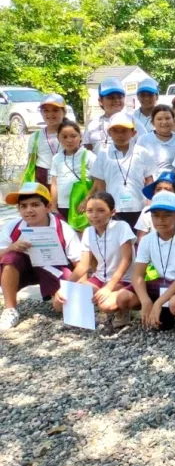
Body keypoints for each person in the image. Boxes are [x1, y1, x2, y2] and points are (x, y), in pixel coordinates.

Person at [116, 191, 175, 335]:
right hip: (162, 282)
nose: (160, 220)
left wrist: (157, 303)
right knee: (122, 298)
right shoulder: (147, 239)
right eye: (155, 215)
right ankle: (163, 312)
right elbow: (137, 275)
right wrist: (145, 301)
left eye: (167, 215)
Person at [0, 183, 82, 330]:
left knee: (64, 307)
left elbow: (80, 264)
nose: (29, 210)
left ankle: (55, 295)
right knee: (10, 258)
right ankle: (10, 309)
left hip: (53, 268)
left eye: (35, 204)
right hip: (23, 269)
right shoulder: (12, 227)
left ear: (48, 206)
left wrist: (74, 290)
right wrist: (11, 247)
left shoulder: (63, 229)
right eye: (23, 206)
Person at [67, 192, 136, 335]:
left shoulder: (121, 227)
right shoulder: (88, 232)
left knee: (105, 305)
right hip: (100, 277)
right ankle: (101, 305)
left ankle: (122, 310)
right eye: (89, 211)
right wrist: (66, 287)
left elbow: (126, 259)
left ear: (112, 212)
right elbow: (84, 265)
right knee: (64, 300)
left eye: (101, 211)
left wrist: (109, 287)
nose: (94, 215)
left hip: (123, 279)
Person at [88, 112, 154, 228]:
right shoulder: (104, 154)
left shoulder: (142, 152)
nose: (120, 135)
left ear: (133, 133)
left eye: (124, 131)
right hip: (114, 207)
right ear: (109, 132)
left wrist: (150, 200)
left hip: (139, 204)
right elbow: (100, 182)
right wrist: (104, 204)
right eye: (115, 131)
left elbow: (149, 179)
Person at [49, 119, 95, 222]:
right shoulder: (56, 158)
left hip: (82, 205)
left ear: (80, 136)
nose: (69, 140)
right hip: (62, 205)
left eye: (73, 136)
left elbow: (98, 182)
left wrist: (87, 200)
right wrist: (54, 207)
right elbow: (54, 184)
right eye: (64, 137)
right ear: (58, 138)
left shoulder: (88, 156)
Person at [85, 78, 147, 153]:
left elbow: (146, 147)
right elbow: (85, 152)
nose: (116, 100)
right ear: (100, 100)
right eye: (111, 97)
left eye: (120, 96)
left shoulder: (133, 122)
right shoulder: (93, 125)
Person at [133, 171, 175, 241]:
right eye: (158, 189)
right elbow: (141, 237)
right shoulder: (146, 211)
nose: (162, 192)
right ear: (154, 192)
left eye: (168, 189)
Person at [26, 93, 66, 188]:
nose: (50, 114)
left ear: (64, 112)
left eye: (55, 110)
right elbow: (30, 163)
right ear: (41, 113)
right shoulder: (35, 137)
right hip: (42, 178)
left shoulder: (72, 134)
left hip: (66, 176)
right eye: (46, 111)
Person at [136, 105, 175, 175]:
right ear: (153, 123)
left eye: (167, 118)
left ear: (173, 120)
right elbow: (136, 164)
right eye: (159, 119)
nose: (164, 122)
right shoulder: (143, 140)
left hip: (169, 183)